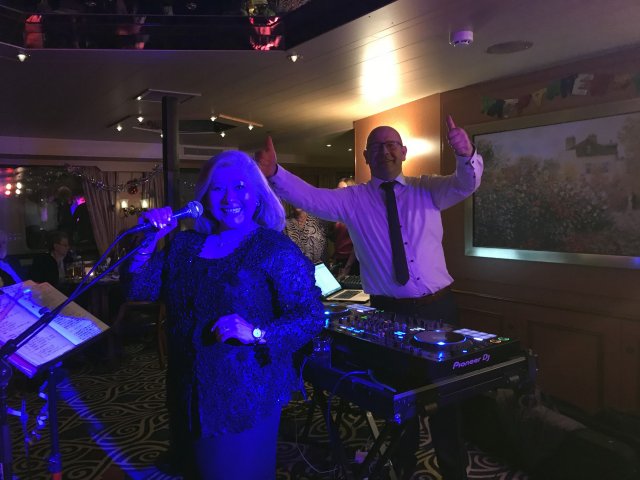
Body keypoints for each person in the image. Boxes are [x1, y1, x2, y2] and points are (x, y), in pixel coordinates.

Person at [256, 115, 483, 480]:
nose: (385, 151)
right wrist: (275, 173)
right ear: (365, 156)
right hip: (388, 314)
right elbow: (311, 197)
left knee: (447, 400)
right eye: (376, 146)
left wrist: (465, 152)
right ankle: (403, 469)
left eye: (391, 144)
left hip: (439, 309)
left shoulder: (429, 189)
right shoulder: (353, 200)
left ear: (404, 152)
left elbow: (466, 182)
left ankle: (454, 473)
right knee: (398, 400)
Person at [121, 150, 324, 479]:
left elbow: (311, 314)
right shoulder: (183, 245)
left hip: (245, 395)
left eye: (241, 186)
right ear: (204, 196)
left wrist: (257, 333)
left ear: (257, 195)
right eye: (218, 188)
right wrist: (149, 240)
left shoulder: (272, 248)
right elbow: (138, 289)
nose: (230, 198)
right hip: (186, 389)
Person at [330, 177, 358, 279]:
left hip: (352, 261)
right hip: (339, 260)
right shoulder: (338, 211)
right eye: (338, 189)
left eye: (343, 190)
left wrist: (347, 267)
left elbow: (357, 245)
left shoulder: (355, 213)